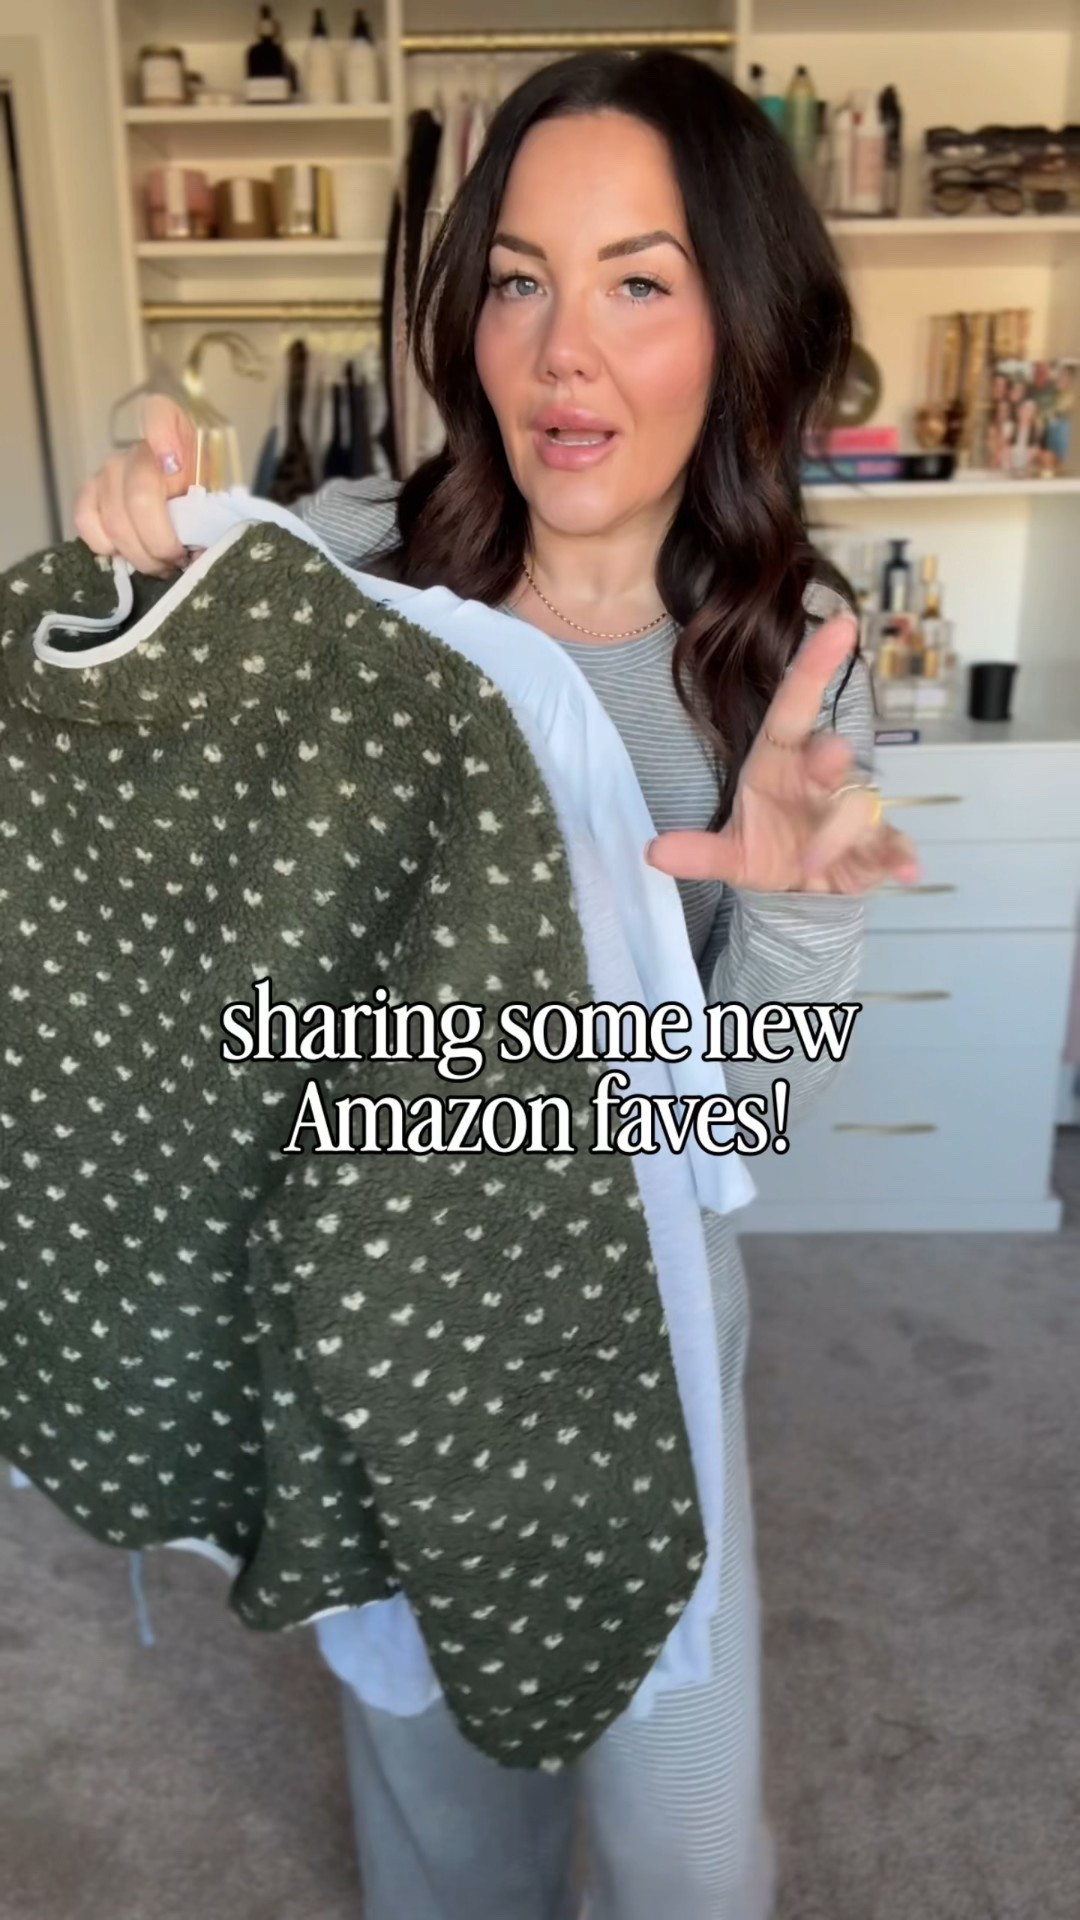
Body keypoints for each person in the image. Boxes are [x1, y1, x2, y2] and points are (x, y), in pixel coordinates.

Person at [73, 50, 917, 1920]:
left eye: (638, 281)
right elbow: (167, 749)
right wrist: (142, 479)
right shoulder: (355, 571)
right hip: (374, 1305)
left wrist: (798, 913)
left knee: (683, 1838)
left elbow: (744, 1123)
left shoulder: (784, 664)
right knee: (441, 1814)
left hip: (636, 1331)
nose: (561, 353)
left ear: (742, 322)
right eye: (520, 278)